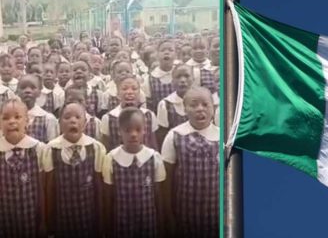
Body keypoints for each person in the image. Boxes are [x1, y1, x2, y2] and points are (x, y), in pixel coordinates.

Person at [161, 87, 219, 238]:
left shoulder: (223, 137)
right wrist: (168, 213)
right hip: (184, 212)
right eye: (193, 105)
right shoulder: (175, 136)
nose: (200, 109)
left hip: (217, 212)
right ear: (185, 109)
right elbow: (166, 179)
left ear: (213, 108)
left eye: (205, 104)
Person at [44, 102, 106, 238]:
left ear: (85, 123)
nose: (73, 121)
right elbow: (49, 188)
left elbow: (99, 187)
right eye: (67, 117)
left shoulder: (96, 148)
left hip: (88, 215)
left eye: (78, 117)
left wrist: (101, 223)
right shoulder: (51, 149)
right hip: (63, 215)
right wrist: (50, 224)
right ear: (59, 123)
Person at [102, 107, 165, 238]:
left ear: (144, 130)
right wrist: (107, 226)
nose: (133, 134)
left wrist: (161, 224)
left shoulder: (154, 157)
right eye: (127, 130)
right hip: (121, 221)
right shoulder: (111, 158)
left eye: (138, 129)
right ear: (119, 132)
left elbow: (159, 195)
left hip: (149, 221)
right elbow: (108, 196)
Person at [0, 98, 47, 237]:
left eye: (18, 117)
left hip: (31, 216)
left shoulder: (38, 149)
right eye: (5, 118)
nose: (12, 121)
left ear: (27, 121)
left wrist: (43, 221)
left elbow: (42, 188)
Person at [101, 76, 158, 151]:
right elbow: (106, 147)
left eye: (134, 89)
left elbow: (153, 144)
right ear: (117, 94)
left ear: (139, 93)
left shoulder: (149, 115)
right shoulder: (108, 118)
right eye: (124, 89)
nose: (129, 92)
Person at [156, 65, 193, 147]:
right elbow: (162, 135)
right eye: (178, 77)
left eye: (187, 76)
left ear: (193, 79)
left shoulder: (201, 102)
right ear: (172, 81)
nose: (183, 80)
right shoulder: (165, 104)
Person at [17, 75, 59, 143]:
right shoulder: (11, 118)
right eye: (23, 87)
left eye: (33, 88)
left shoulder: (48, 119)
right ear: (17, 91)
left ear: (39, 92)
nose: (28, 90)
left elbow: (51, 145)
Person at [143, 40, 176, 114]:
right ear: (157, 55)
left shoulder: (180, 74)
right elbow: (147, 104)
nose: (166, 52)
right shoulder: (149, 79)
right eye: (163, 50)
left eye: (170, 50)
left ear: (176, 54)